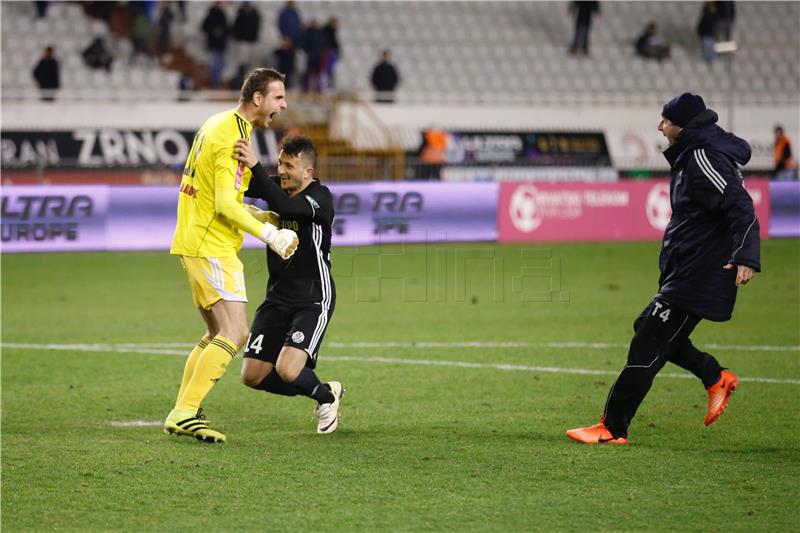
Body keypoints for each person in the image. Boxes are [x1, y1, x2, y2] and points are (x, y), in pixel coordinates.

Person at [566, 93, 761, 444]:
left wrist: (746, 254)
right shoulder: (694, 154)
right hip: (690, 266)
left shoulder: (703, 157)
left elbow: (740, 204)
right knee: (648, 327)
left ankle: (612, 429)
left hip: (701, 271)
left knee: (648, 343)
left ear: (682, 126)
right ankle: (714, 375)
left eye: (665, 121)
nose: (660, 126)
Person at [164, 68, 299, 443]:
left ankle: (184, 409)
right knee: (236, 331)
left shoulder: (218, 123)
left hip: (196, 237)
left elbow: (220, 194)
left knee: (214, 332)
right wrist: (271, 235)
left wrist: (258, 215)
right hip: (211, 244)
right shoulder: (231, 133)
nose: (283, 105)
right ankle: (185, 411)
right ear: (258, 98)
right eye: (278, 97)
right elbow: (223, 203)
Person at [231, 135, 344, 434]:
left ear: (307, 172)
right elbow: (237, 181)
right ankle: (323, 388)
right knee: (252, 376)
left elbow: (286, 206)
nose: (281, 170)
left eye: (289, 165)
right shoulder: (278, 187)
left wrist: (254, 165)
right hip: (277, 298)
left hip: (313, 298)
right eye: (280, 163)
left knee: (287, 369)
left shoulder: (320, 198)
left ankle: (325, 399)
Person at [202, 1, 229, 86]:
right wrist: (213, 31)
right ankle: (214, 81)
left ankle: (216, 80)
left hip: (221, 44)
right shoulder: (210, 15)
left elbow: (227, 29)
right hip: (213, 44)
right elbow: (204, 27)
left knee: (221, 63)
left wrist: (222, 32)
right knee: (215, 63)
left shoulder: (223, 15)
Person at [232, 1, 261, 72]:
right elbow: (236, 28)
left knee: (252, 61)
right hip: (243, 41)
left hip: (252, 41)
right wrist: (239, 37)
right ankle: (241, 75)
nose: (247, 8)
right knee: (242, 60)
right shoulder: (240, 15)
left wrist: (254, 37)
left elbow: (256, 28)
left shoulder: (255, 16)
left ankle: (249, 76)